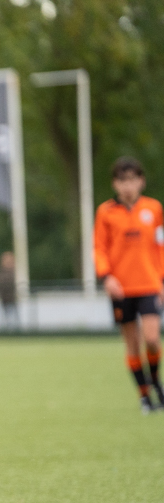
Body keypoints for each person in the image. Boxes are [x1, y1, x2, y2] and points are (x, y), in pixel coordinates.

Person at [93, 156, 164, 414]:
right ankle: (144, 396)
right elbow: (99, 247)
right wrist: (106, 276)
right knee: (132, 344)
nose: (127, 186)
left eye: (132, 179)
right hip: (121, 288)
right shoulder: (106, 212)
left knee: (153, 339)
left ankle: (155, 381)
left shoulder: (154, 209)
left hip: (148, 284)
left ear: (141, 181)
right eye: (122, 180)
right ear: (115, 183)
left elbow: (161, 246)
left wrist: (162, 280)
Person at [0, 251, 18, 331]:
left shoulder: (14, 271)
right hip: (3, 297)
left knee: (14, 317)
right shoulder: (0, 271)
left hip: (12, 297)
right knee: (3, 317)